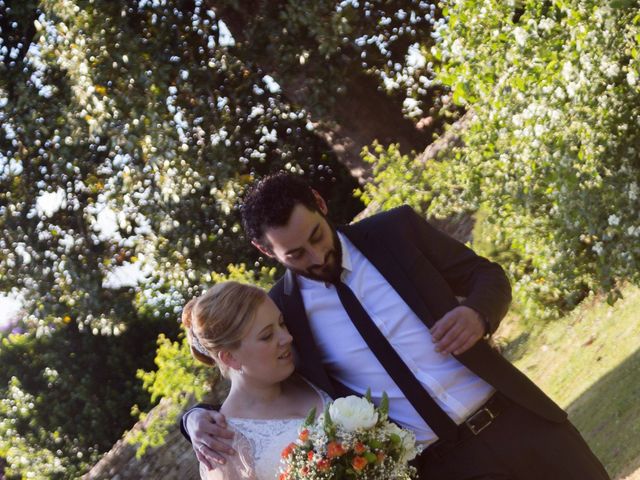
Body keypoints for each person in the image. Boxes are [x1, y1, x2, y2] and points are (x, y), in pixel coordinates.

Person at [182, 172, 610, 480]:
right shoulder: (282, 313)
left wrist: (478, 314)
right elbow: (254, 380)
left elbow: (487, 276)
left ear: (321, 203)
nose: (315, 256)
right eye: (294, 254)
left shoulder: (396, 231)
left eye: (316, 236)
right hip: (442, 466)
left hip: (521, 419)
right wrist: (195, 417)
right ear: (264, 250)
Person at [182, 281, 331, 479]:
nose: (287, 337)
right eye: (267, 336)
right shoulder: (223, 444)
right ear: (230, 358)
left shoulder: (307, 372)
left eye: (281, 323)